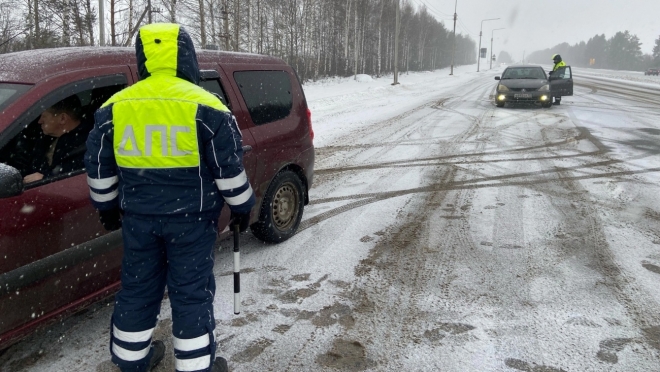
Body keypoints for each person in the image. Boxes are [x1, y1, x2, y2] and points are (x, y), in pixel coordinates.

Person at [84, 23, 255, 372]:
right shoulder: (208, 106)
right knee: (190, 291)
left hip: (138, 221)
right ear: (186, 57)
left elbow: (99, 166)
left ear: (143, 58)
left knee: (137, 286)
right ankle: (195, 366)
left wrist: (106, 207)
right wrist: (242, 207)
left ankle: (131, 360)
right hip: (191, 221)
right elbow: (228, 167)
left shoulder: (114, 107)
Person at [23, 95, 92, 183]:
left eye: (44, 116)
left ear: (62, 119)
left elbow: (73, 183)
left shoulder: (87, 145)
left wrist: (45, 179)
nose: (39, 121)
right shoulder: (44, 138)